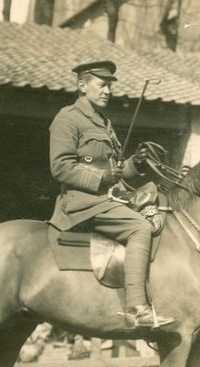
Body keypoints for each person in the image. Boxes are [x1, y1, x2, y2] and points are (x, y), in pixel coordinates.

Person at [48, 60, 175, 329]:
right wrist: (103, 177)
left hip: (107, 200)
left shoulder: (104, 123)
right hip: (82, 203)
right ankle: (137, 309)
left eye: (110, 86)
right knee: (140, 227)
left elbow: (115, 171)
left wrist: (135, 164)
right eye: (102, 85)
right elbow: (60, 167)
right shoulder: (68, 118)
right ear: (82, 86)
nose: (107, 91)